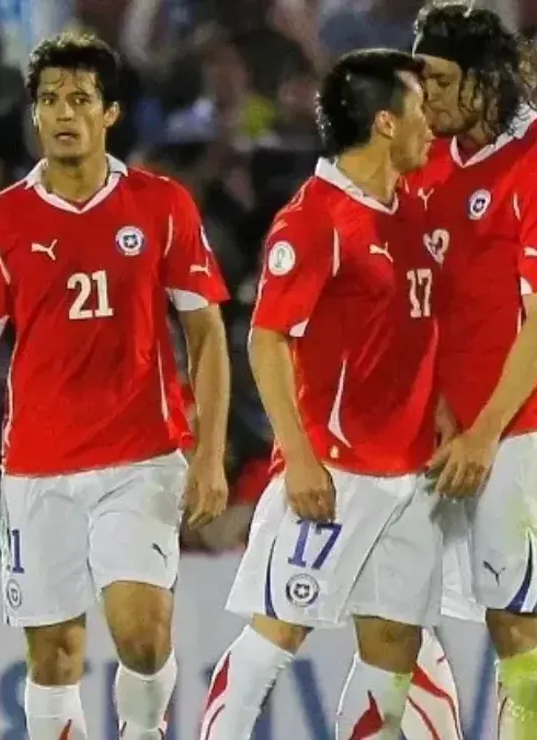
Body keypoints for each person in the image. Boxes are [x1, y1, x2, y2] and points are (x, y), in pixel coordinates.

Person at [0, 33, 231, 740]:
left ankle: (143, 731)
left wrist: (210, 454)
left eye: (79, 99)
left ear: (110, 113)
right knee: (53, 656)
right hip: (38, 467)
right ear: (34, 114)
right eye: (49, 100)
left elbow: (207, 334)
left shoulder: (160, 204)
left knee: (143, 636)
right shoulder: (1, 220)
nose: (63, 112)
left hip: (141, 456)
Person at [197, 48, 440, 739]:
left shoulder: (409, 212)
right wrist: (300, 457)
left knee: (393, 650)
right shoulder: (315, 219)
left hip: (409, 473)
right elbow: (267, 339)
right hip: (335, 471)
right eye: (421, 110)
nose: (432, 126)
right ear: (386, 122)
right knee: (275, 636)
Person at [390, 4, 537, 738]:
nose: (428, 96)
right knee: (392, 613)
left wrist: (484, 432)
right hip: (432, 430)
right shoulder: (425, 160)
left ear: (488, 80)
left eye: (443, 81)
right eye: (421, 80)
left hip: (522, 430)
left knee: (516, 623)